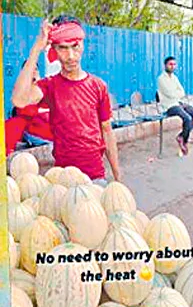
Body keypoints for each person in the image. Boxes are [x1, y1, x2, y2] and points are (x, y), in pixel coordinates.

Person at [11, 16, 121, 185]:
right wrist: (37, 48)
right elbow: (19, 100)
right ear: (53, 49)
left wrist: (117, 177)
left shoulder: (98, 86)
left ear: (83, 45)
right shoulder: (50, 86)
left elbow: (107, 131)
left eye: (75, 46)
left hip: (95, 176)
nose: (70, 56)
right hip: (62, 179)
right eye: (62, 48)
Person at [157, 56, 193, 156]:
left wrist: (176, 93)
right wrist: (176, 93)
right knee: (187, 118)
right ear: (165, 65)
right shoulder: (161, 79)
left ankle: (182, 136)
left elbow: (182, 91)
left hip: (178, 103)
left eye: (174, 64)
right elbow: (170, 94)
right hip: (169, 106)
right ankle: (184, 141)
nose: (172, 66)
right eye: (170, 64)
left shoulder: (174, 78)